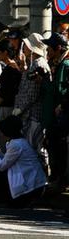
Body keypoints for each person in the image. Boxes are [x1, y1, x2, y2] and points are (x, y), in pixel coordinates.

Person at [0, 115, 47, 207]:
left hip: (31, 187)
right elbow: (8, 160)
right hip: (35, 184)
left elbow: (2, 166)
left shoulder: (15, 145)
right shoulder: (20, 142)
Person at [12, 33, 50, 169]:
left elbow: (33, 93)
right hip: (31, 113)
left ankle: (42, 176)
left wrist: (20, 108)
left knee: (36, 147)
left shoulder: (38, 64)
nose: (24, 48)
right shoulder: (33, 63)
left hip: (34, 114)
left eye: (27, 46)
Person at [41, 32, 69, 190]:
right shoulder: (59, 63)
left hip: (58, 119)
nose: (47, 51)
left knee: (57, 151)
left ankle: (59, 181)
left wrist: (44, 81)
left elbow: (58, 90)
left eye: (49, 48)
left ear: (58, 48)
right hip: (57, 117)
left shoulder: (64, 65)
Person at [0, 39, 22, 150]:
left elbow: (6, 91)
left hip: (7, 106)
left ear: (5, 52)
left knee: (3, 135)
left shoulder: (12, 69)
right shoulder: (11, 67)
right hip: (6, 105)